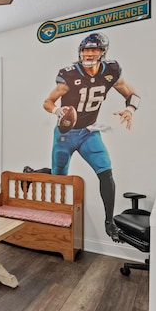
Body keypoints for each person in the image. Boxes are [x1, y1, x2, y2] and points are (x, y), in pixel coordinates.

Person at [42, 32, 140, 242]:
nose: (89, 54)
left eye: (94, 49)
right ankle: (39, 173)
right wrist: (57, 112)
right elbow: (48, 101)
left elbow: (133, 94)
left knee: (106, 172)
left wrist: (130, 110)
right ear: (81, 52)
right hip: (65, 133)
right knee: (59, 176)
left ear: (102, 52)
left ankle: (109, 222)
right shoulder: (68, 74)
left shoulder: (111, 71)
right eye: (86, 50)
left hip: (89, 131)